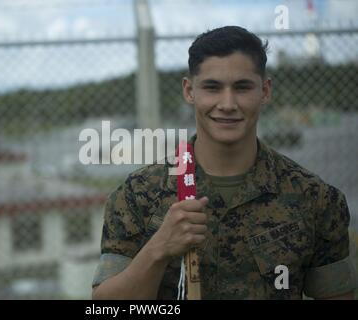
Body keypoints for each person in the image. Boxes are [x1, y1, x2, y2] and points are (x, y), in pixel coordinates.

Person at [91, 26, 357, 299]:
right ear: (189, 90)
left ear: (264, 91)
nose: (227, 103)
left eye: (242, 87)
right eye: (212, 87)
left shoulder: (314, 198)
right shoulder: (138, 195)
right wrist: (158, 248)